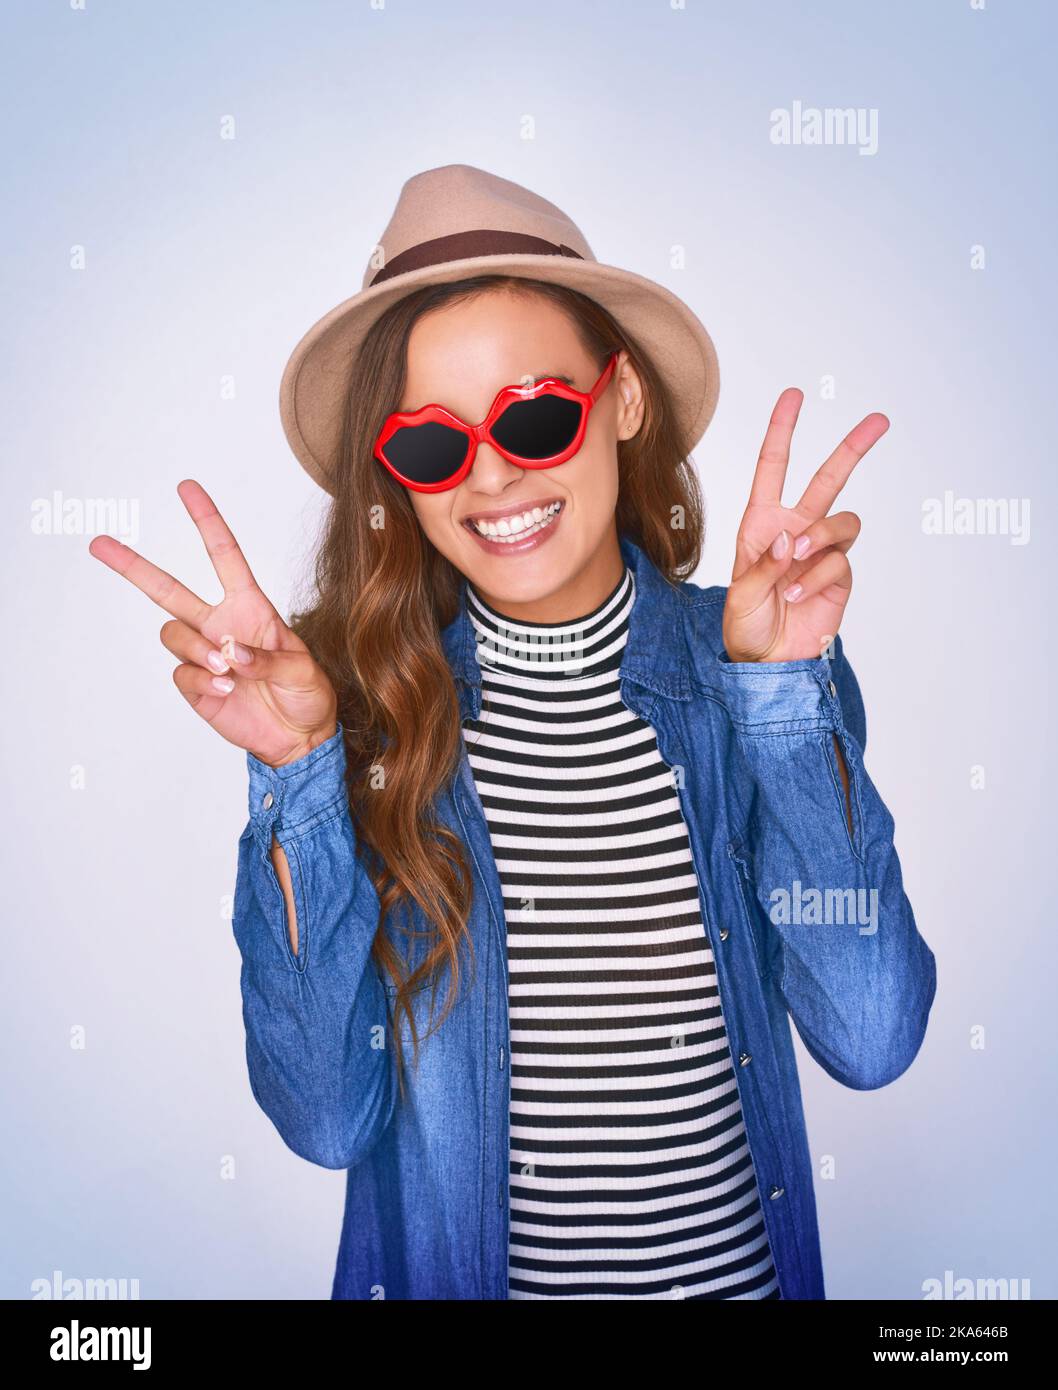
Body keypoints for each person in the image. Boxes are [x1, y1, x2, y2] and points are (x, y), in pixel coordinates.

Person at [89, 164, 937, 1300]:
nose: (490, 473)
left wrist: (782, 701)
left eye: (534, 414)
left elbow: (871, 1035)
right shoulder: (359, 720)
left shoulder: (748, 672)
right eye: (433, 445)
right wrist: (297, 774)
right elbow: (326, 1119)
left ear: (621, 399)